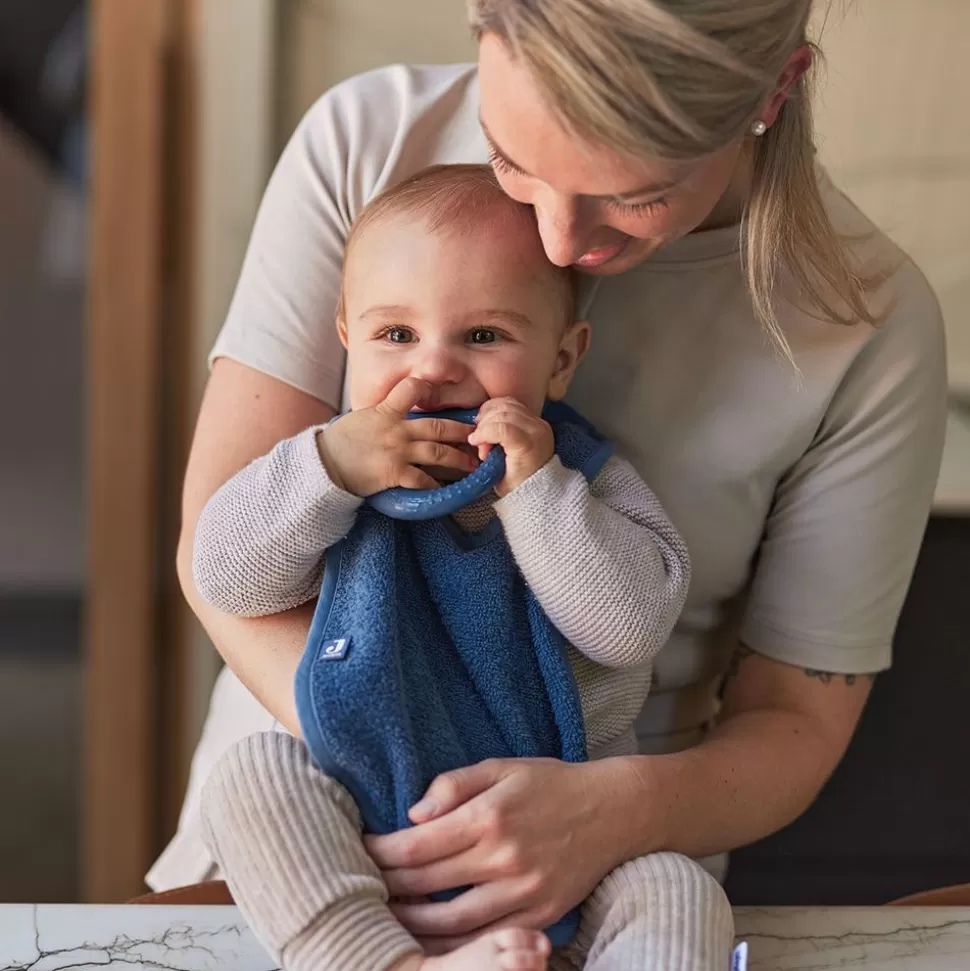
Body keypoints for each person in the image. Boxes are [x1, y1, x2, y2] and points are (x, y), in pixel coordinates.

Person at [149, 0, 947, 964]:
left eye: (634, 191)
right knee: (259, 786)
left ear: (773, 94)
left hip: (596, 845)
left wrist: (601, 816)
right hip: (315, 807)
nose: (559, 241)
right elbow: (217, 554)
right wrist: (398, 760)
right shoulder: (368, 142)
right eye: (510, 155)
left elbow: (795, 719)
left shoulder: (868, 328)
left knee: (678, 895)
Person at [194, 162, 732, 971]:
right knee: (254, 780)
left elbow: (626, 628)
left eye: (483, 336)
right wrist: (330, 469)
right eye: (396, 335)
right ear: (346, 334)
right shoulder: (321, 475)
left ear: (560, 358)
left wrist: (535, 492)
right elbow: (226, 576)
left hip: (557, 858)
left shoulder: (579, 481)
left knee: (679, 887)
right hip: (363, 836)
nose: (434, 367)